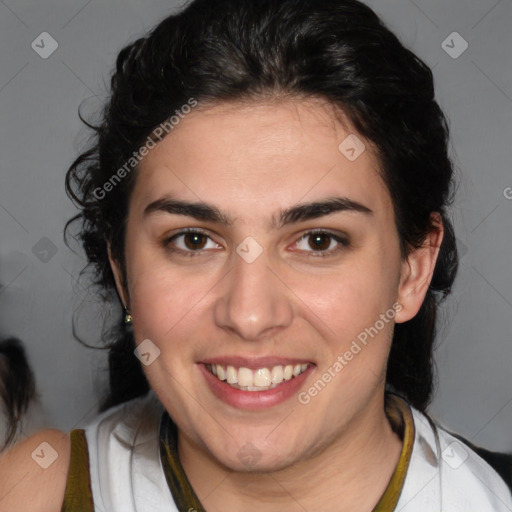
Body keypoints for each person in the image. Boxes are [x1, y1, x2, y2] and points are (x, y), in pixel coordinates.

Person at [0, 0, 510, 510]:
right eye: (193, 240)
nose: (249, 315)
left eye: (318, 241)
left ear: (411, 272)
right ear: (122, 271)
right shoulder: (29, 493)